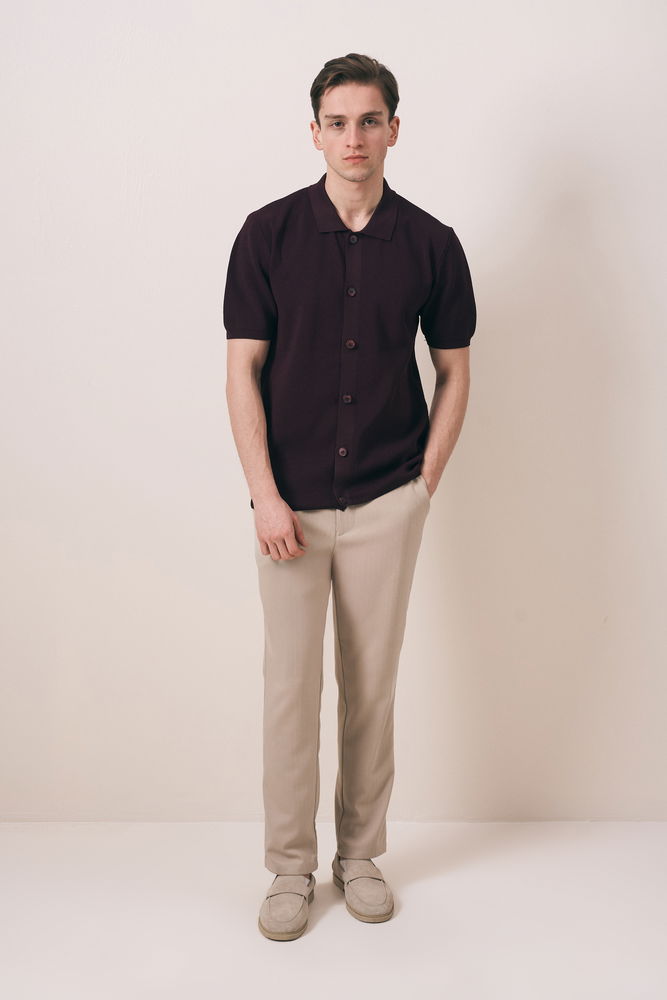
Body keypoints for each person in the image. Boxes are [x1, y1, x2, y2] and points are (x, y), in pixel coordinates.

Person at [223, 52, 477, 941]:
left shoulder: (432, 244)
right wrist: (263, 495)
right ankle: (289, 868)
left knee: (370, 688)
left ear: (393, 129)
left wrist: (422, 486)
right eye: (337, 122)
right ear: (315, 132)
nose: (354, 138)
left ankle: (360, 855)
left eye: (370, 120)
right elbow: (241, 371)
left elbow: (454, 372)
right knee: (289, 693)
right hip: (286, 506)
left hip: (383, 499)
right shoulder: (266, 235)